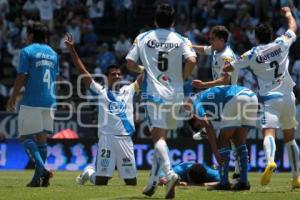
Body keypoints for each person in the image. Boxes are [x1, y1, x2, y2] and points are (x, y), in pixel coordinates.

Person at [223, 7, 300, 188]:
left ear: (256, 37)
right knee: (290, 138)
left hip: (270, 99)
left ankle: (271, 161)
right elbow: (293, 27)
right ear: (271, 35)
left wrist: (228, 63)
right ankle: (296, 177)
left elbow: (229, 68)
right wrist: (288, 13)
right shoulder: (281, 43)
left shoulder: (252, 54)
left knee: (268, 132)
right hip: (288, 97)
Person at [126, 3, 197, 199]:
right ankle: (152, 183)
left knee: (157, 139)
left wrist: (144, 69)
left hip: (154, 93)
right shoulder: (181, 38)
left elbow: (129, 63)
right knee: (162, 139)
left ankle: (170, 173)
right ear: (173, 21)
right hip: (175, 94)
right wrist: (182, 78)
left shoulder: (143, 37)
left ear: (155, 20)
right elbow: (192, 60)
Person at [64, 33, 139, 186]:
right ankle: (89, 172)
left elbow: (144, 76)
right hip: (107, 138)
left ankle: (91, 172)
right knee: (101, 181)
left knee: (131, 182)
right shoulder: (101, 91)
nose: (117, 76)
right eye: (113, 74)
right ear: (107, 77)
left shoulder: (129, 89)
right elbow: (83, 72)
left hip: (125, 138)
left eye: (118, 74)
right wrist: (72, 50)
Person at [7, 22, 58, 187]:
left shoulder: (27, 51)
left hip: (32, 100)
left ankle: (43, 170)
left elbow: (22, 75)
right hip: (50, 100)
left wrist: (13, 96)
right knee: (42, 140)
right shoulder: (53, 53)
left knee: (24, 137)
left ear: (30, 35)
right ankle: (38, 179)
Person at [192, 25, 241, 180]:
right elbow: (202, 49)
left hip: (229, 96)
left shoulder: (226, 56)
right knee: (231, 136)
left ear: (221, 40)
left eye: (212, 39)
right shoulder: (215, 49)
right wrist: (186, 46)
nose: (210, 41)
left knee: (230, 136)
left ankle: (207, 129)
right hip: (221, 95)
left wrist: (204, 84)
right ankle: (237, 170)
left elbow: (225, 80)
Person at [187, 85, 258, 190]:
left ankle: (224, 182)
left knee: (222, 140)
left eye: (198, 125)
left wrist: (215, 152)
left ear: (194, 116)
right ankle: (243, 181)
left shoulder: (196, 102)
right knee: (239, 140)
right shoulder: (210, 103)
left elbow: (208, 126)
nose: (201, 126)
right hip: (251, 96)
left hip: (235, 97)